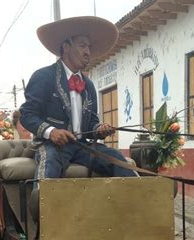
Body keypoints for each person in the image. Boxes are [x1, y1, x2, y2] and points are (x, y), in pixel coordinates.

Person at [20, 16, 138, 181]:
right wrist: (51, 132)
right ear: (66, 47)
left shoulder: (88, 85)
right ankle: (40, 203)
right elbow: (27, 115)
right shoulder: (44, 76)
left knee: (118, 160)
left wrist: (99, 128)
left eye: (89, 47)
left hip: (81, 146)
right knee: (50, 163)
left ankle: (140, 202)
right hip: (50, 144)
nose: (88, 52)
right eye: (82, 45)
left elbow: (91, 122)